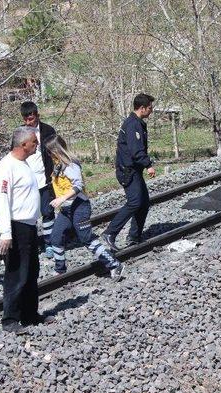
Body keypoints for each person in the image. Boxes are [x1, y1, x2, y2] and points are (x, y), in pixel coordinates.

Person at [0, 126, 51, 333]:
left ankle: (30, 314)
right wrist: (5, 233)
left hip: (28, 226)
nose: (37, 146)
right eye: (34, 142)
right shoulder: (6, 167)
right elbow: (1, 200)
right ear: (23, 144)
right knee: (16, 274)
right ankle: (10, 319)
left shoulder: (24, 163)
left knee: (31, 272)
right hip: (16, 227)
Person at [44, 135, 124, 279]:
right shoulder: (57, 165)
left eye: (49, 152)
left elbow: (78, 186)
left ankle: (114, 264)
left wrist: (61, 198)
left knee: (86, 238)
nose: (48, 155)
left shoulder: (70, 165)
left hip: (79, 207)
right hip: (66, 209)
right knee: (55, 237)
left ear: (56, 151)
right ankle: (60, 269)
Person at [102, 93, 157, 252]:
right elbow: (136, 150)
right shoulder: (133, 125)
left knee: (143, 203)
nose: (151, 111)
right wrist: (148, 165)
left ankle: (134, 237)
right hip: (128, 170)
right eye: (150, 108)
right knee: (134, 202)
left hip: (133, 169)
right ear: (142, 108)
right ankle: (110, 233)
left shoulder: (136, 123)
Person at [19, 101, 57, 258]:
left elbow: (56, 152)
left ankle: (50, 242)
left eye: (32, 118)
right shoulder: (19, 133)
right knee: (30, 215)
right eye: (26, 119)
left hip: (45, 178)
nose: (29, 122)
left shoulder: (48, 130)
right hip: (27, 181)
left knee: (47, 211)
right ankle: (31, 245)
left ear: (37, 115)